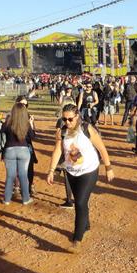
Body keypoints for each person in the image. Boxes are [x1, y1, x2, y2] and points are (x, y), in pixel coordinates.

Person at [46, 104, 114, 252]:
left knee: (80, 202)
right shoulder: (62, 132)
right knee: (81, 201)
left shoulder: (87, 129)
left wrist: (108, 168)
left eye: (70, 119)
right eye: (64, 119)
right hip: (71, 172)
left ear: (77, 116)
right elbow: (57, 151)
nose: (67, 122)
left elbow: (101, 148)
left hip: (89, 170)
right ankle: (86, 225)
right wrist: (51, 170)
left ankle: (77, 239)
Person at [1, 103, 34, 205]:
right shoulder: (26, 124)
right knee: (23, 175)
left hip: (9, 150)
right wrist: (31, 123)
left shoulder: (8, 123)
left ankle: (7, 199)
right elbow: (32, 136)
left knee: (10, 176)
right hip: (24, 151)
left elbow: (2, 131)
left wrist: (5, 121)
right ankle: (26, 199)